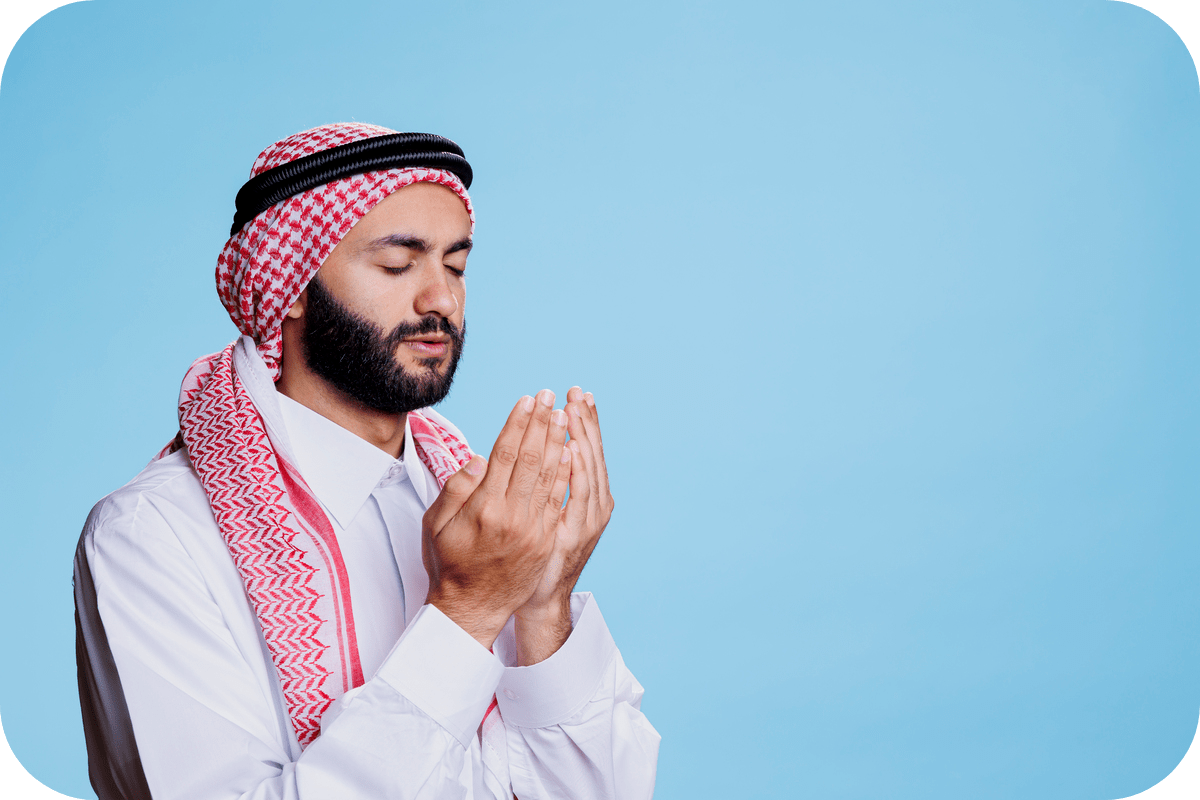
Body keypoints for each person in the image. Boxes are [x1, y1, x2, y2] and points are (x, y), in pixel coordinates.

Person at [73, 122, 661, 800]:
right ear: (289, 283)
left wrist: (543, 606)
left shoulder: (482, 517)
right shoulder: (153, 536)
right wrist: (466, 615)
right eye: (397, 265)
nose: (440, 299)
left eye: (456, 265)